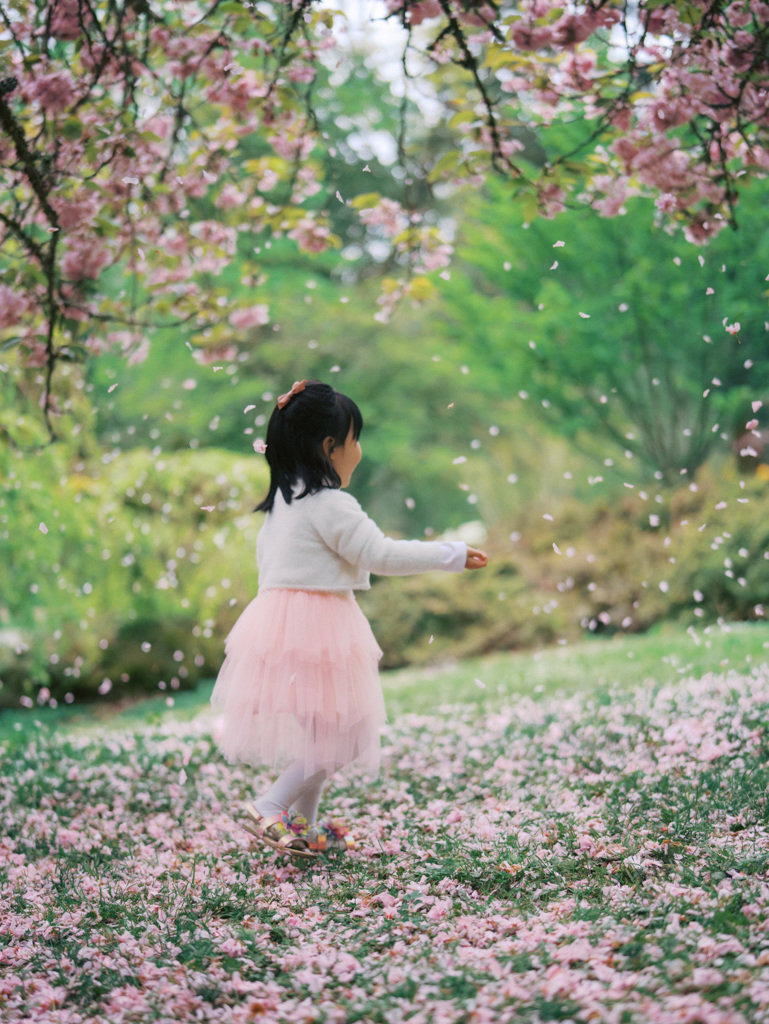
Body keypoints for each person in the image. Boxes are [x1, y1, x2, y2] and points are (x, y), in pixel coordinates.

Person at [211, 379, 488, 860]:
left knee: (323, 734)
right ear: (329, 447)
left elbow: (270, 566)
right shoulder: (329, 503)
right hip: (317, 627)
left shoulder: (284, 501)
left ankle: (305, 827)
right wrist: (450, 554)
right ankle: (271, 805)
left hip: (278, 626)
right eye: (354, 440)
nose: (358, 451)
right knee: (350, 734)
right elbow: (380, 553)